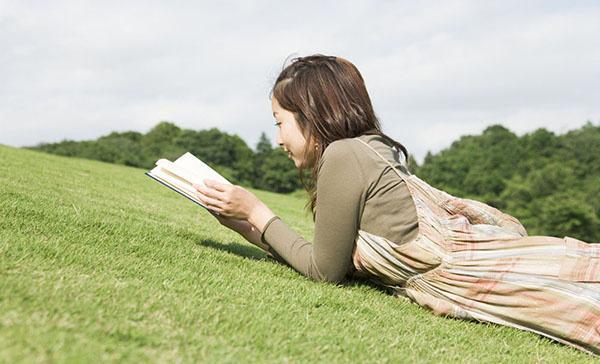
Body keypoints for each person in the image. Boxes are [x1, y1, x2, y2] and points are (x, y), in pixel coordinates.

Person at [194, 54, 600, 354]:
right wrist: (245, 225)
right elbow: (331, 260)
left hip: (497, 275)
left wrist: (256, 213)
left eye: (279, 123)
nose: (279, 139)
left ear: (312, 115)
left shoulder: (344, 155)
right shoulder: (369, 148)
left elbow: (325, 271)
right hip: (497, 268)